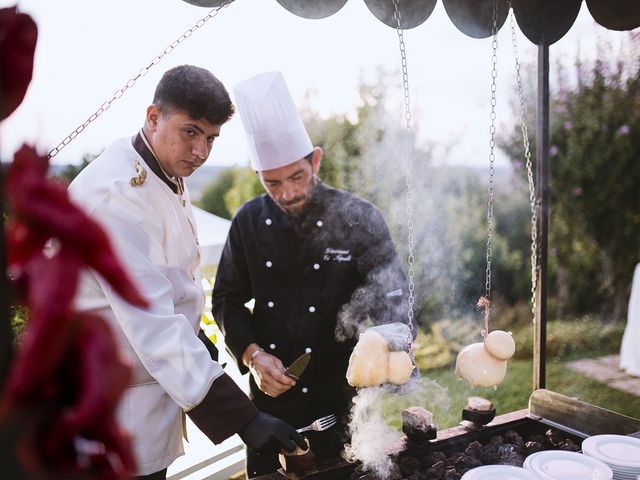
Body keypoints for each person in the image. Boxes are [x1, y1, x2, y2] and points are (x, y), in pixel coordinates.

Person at [68, 65, 305, 480]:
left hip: (140, 405)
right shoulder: (117, 195)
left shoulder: (163, 172)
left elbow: (168, 279)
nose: (201, 152)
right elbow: (152, 322)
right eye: (191, 132)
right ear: (153, 117)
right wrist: (244, 419)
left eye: (211, 138)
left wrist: (196, 337)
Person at [212, 71, 412, 478]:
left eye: (297, 176)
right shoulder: (248, 222)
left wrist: (389, 345)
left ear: (315, 160)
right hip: (270, 410)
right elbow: (226, 301)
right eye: (272, 183)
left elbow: (396, 298)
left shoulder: (359, 217)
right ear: (258, 177)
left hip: (344, 400)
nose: (286, 193)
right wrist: (252, 356)